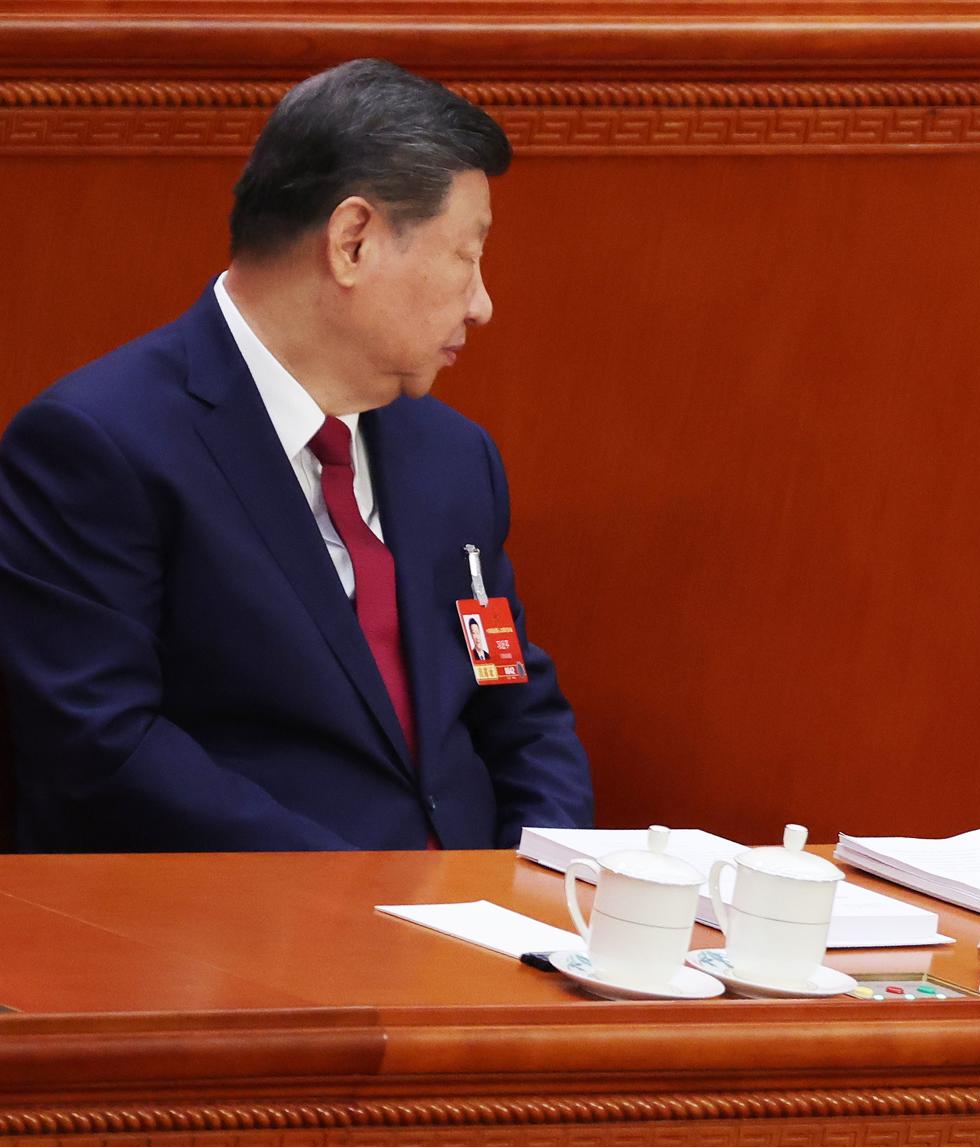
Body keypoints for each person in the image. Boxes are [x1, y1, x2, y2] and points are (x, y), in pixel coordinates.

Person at [0, 59, 593, 851]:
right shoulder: (96, 444)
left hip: (473, 934)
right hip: (236, 938)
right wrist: (353, 903)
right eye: (467, 254)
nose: (482, 304)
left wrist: (542, 884)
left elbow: (513, 700)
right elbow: (102, 745)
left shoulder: (454, 457)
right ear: (353, 242)